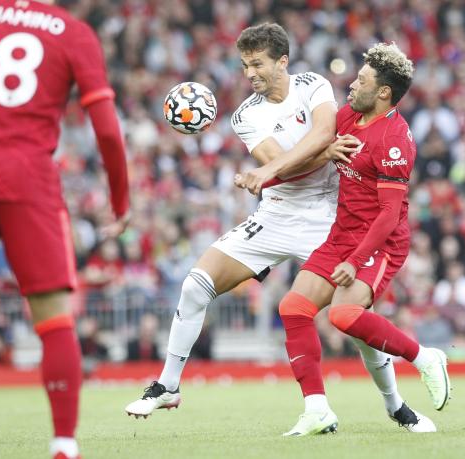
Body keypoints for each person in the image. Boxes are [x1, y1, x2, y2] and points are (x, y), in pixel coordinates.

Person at [0, 1, 130, 458]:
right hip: (30, 183)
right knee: (54, 318)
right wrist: (120, 199)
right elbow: (105, 130)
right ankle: (64, 443)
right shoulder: (72, 32)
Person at [124, 22, 338, 419]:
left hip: (326, 214)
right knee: (193, 287)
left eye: (257, 64)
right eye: (244, 65)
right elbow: (286, 170)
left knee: (351, 314)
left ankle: (396, 404)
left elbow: (326, 129)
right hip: (275, 215)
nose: (249, 73)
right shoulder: (246, 116)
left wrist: (285, 164)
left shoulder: (313, 85)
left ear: (283, 61)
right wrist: (321, 155)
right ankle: (168, 385)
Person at [259, 42, 452, 436]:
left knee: (343, 315)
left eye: (361, 80)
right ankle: (316, 409)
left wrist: (356, 258)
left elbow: (389, 214)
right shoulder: (349, 117)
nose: (351, 84)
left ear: (383, 92)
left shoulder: (394, 139)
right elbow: (313, 153)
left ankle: (424, 357)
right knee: (293, 308)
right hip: (341, 233)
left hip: (380, 243)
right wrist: (265, 176)